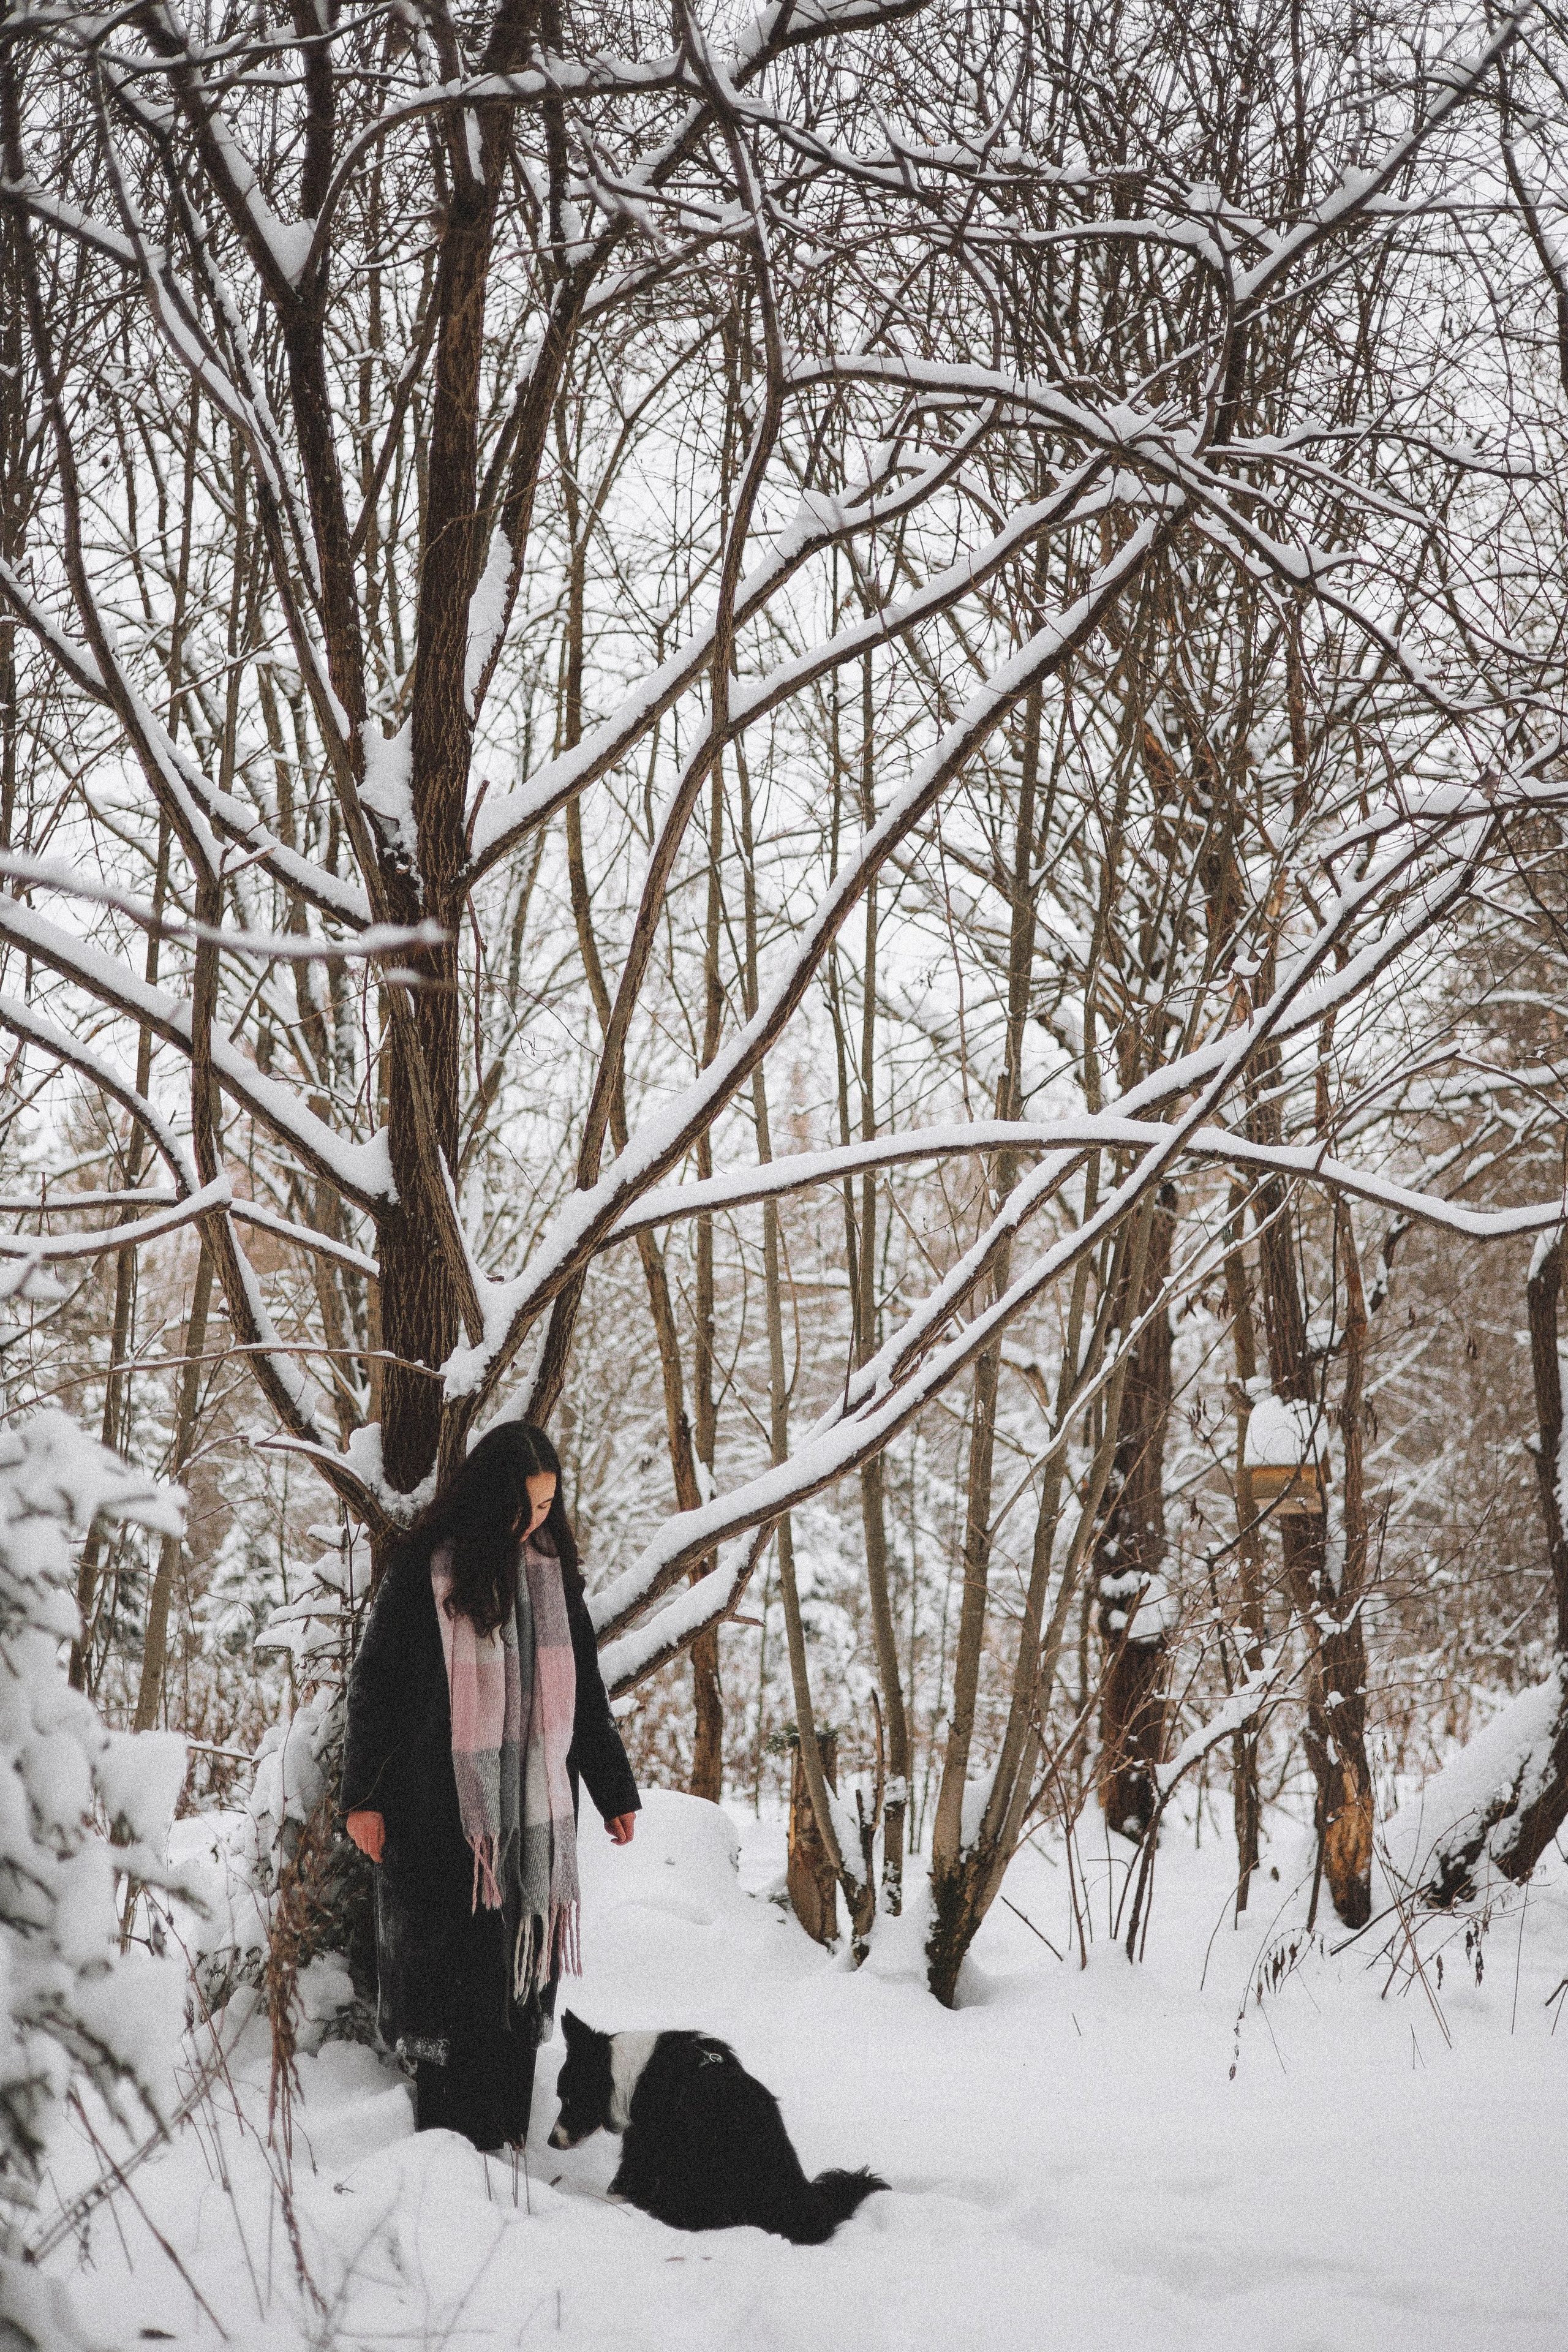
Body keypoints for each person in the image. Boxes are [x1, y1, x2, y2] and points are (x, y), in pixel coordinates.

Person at [341, 1421, 639, 2151]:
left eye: (546, 1507)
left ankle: (506, 2139)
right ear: (488, 1499)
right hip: (442, 1817)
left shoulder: (550, 1569)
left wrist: (615, 1791)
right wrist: (362, 1799)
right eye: (524, 1506)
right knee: (454, 1984)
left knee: (517, 1981)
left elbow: (585, 1694)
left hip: (531, 1818)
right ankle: (449, 2150)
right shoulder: (426, 1572)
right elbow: (376, 1688)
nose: (536, 1521)